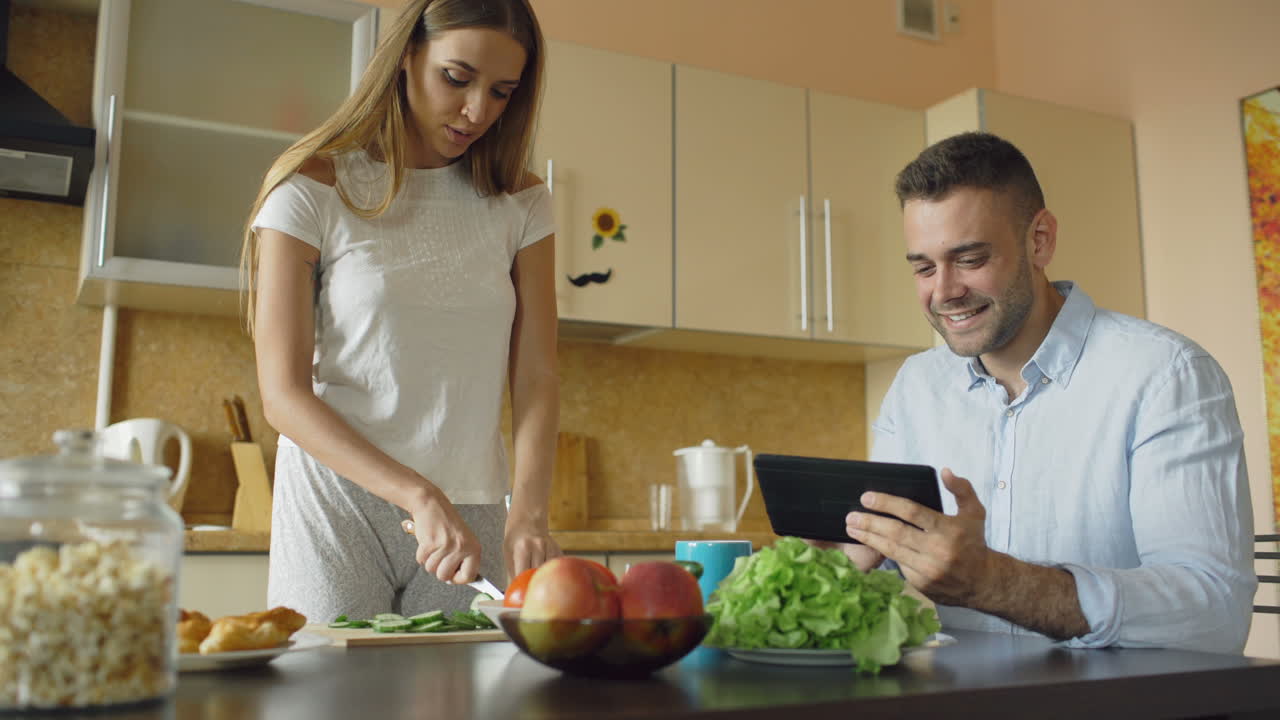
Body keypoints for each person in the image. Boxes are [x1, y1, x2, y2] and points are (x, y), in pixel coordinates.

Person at [823, 131, 1256, 653]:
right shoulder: (915, 388)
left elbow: (1213, 611)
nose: (943, 292)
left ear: (1040, 240)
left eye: (969, 258)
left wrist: (994, 582)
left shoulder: (1166, 375)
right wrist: (846, 564)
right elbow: (891, 582)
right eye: (923, 267)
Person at [239, 0, 561, 622]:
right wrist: (417, 494)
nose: (478, 111)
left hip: (472, 512)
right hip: (336, 503)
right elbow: (281, 395)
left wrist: (529, 511)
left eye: (502, 92)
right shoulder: (312, 186)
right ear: (407, 56)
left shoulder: (523, 202)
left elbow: (537, 375)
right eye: (456, 78)